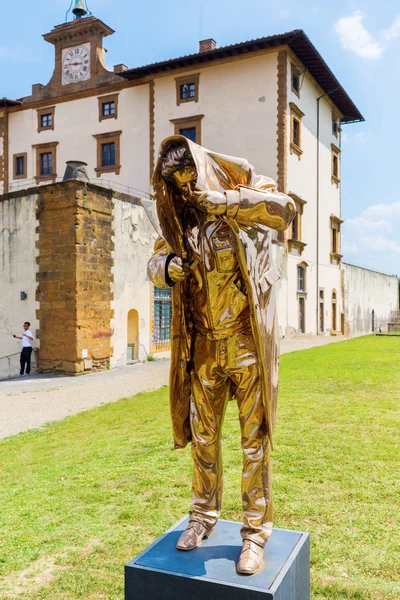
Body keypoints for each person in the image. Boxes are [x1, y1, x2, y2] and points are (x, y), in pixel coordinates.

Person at [147, 136, 295, 575]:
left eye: (190, 178)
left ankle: (254, 534)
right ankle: (202, 516)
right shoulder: (180, 223)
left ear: (201, 167)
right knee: (204, 440)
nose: (187, 189)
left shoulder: (240, 184)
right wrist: (166, 267)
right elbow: (154, 261)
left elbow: (284, 210)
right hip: (205, 349)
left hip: (247, 345)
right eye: (178, 183)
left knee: (255, 444)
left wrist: (226, 201)